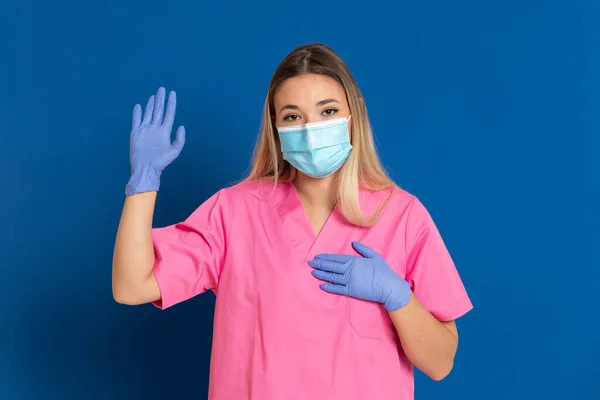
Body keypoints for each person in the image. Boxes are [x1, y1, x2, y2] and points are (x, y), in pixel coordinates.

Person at [112, 43, 473, 400]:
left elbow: (441, 363)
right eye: (292, 116)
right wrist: (144, 181)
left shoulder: (401, 216)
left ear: (355, 115)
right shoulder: (234, 212)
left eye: (327, 111)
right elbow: (132, 287)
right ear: (276, 126)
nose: (310, 128)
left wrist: (398, 297)